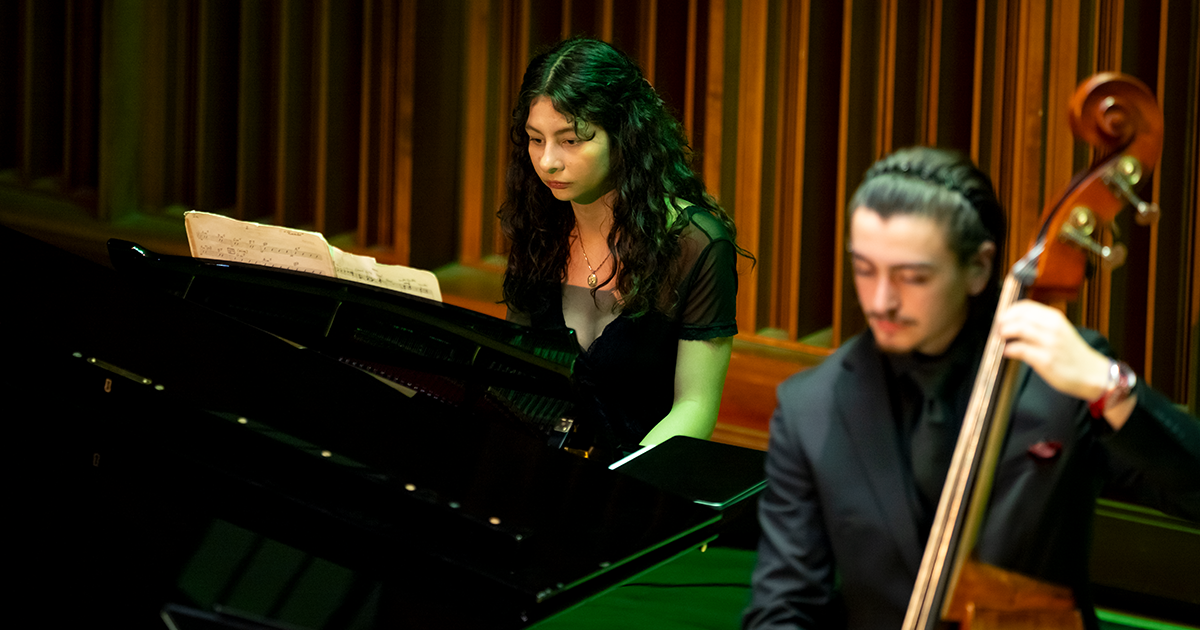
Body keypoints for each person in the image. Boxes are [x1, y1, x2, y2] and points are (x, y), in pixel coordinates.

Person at [743, 146, 1200, 629]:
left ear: (979, 268)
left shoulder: (1062, 381)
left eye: (912, 277)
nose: (880, 301)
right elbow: (782, 607)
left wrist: (1112, 388)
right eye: (864, 269)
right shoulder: (810, 405)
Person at [498, 37, 750, 461]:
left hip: (638, 481)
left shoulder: (695, 244)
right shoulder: (540, 226)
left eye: (571, 140)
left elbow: (696, 407)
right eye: (535, 139)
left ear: (624, 136)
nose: (547, 162)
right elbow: (516, 376)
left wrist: (618, 477)